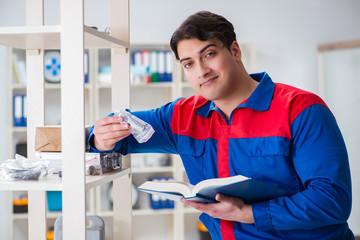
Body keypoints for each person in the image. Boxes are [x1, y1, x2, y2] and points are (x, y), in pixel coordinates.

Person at [88, 11, 354, 240]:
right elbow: (117, 135)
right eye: (189, 64)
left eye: (210, 54)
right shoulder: (181, 117)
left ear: (235, 51)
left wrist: (249, 214)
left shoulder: (301, 110)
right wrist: (101, 138)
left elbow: (332, 200)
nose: (201, 70)